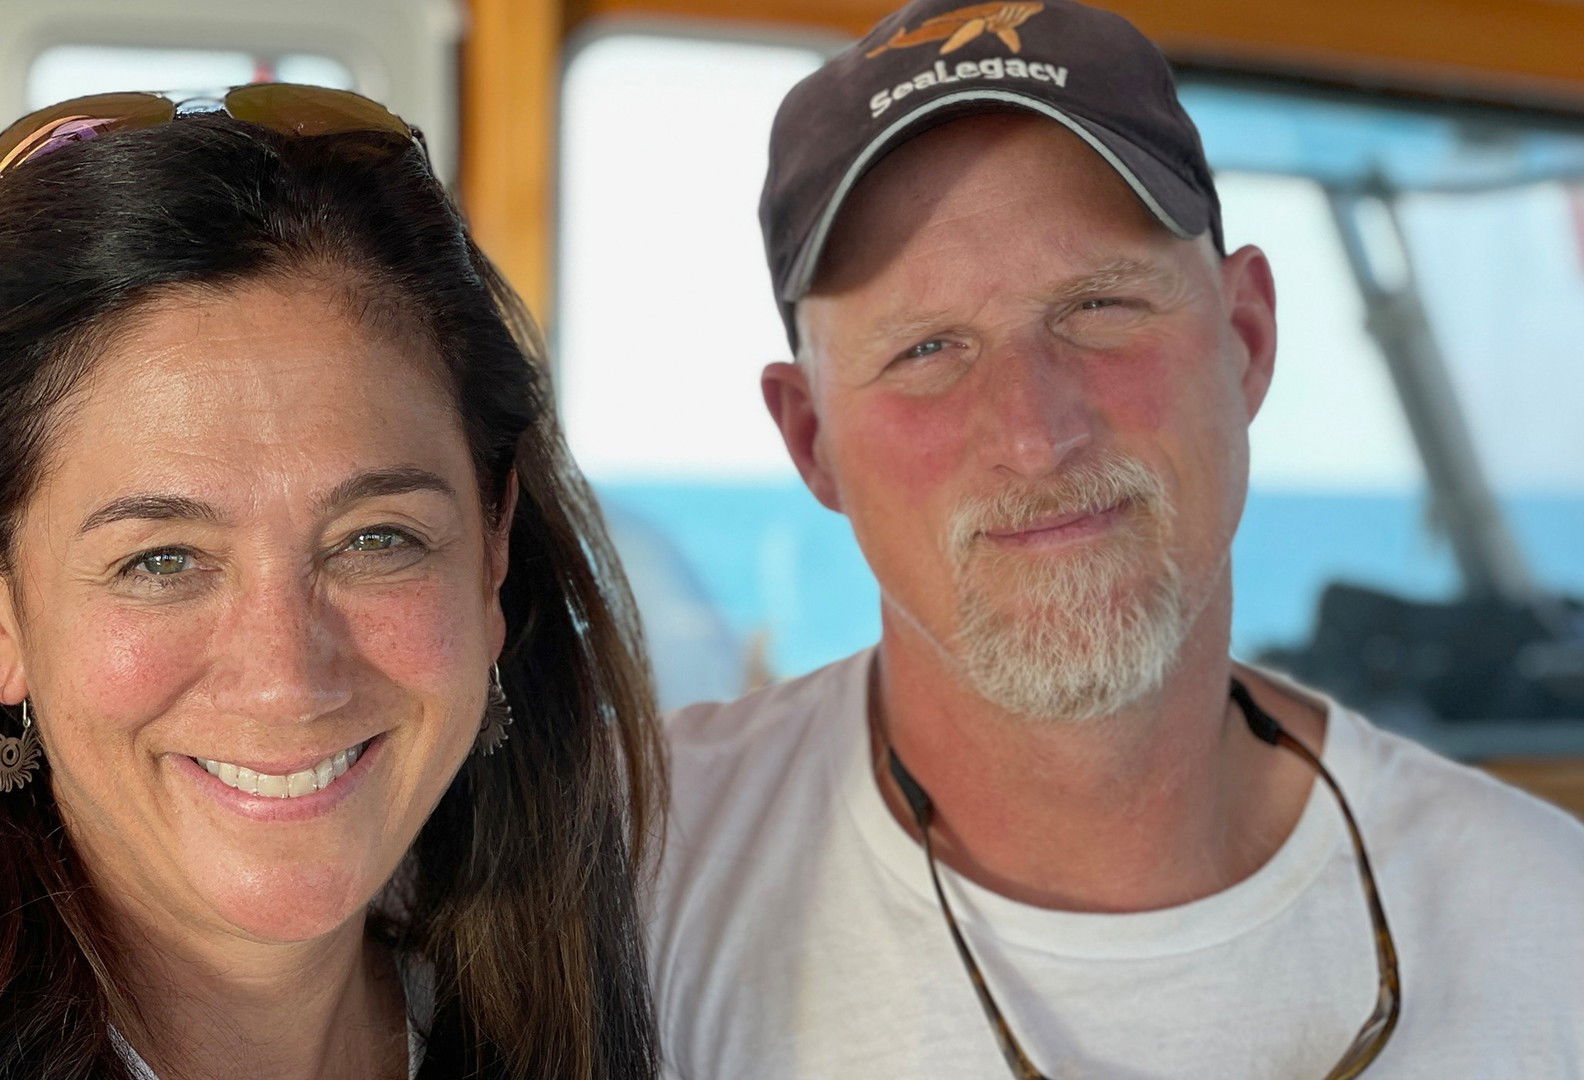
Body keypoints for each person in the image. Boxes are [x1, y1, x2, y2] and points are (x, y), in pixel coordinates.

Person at [646, 2, 1584, 1077]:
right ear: (812, 441)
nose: (1038, 434)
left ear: (1246, 339)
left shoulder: (1551, 935)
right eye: (927, 349)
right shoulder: (634, 884)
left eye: (1099, 306)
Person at [0, 85, 663, 1080]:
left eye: (376, 540)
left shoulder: (607, 1002)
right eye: (161, 560)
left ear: (492, 548)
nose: (286, 679)